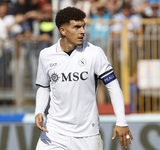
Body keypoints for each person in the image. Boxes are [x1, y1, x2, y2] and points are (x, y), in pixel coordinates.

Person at [35, 6, 133, 150]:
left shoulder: (94, 53)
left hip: (87, 135)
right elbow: (43, 87)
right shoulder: (46, 55)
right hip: (54, 132)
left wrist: (122, 121)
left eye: (83, 26)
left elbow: (113, 87)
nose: (83, 31)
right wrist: (39, 110)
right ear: (63, 30)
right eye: (77, 27)